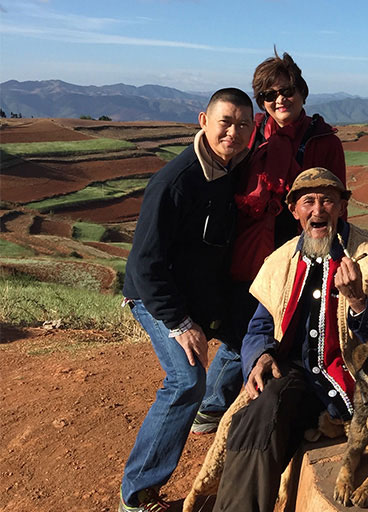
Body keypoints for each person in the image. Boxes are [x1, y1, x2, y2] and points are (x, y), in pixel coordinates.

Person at [212, 167, 368, 511]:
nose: (318, 210)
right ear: (294, 210)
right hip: (297, 378)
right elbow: (258, 328)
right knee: (256, 417)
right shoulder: (280, 261)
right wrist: (260, 357)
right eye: (308, 201)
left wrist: (359, 302)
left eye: (328, 200)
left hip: (357, 384)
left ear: (342, 207)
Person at [191, 50, 346, 435]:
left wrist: (336, 248)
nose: (280, 99)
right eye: (269, 94)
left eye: (287, 90)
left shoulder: (324, 141)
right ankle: (214, 404)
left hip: (300, 245)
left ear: (302, 91)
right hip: (250, 243)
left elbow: (336, 199)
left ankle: (263, 393)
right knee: (248, 320)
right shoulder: (253, 132)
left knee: (293, 319)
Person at [118, 88, 255, 512]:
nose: (233, 132)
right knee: (186, 379)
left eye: (243, 125)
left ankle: (208, 411)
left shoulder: (231, 168)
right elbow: (145, 266)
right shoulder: (175, 181)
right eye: (225, 122)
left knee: (249, 338)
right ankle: (137, 494)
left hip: (203, 293)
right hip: (157, 297)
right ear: (203, 121)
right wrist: (181, 324)